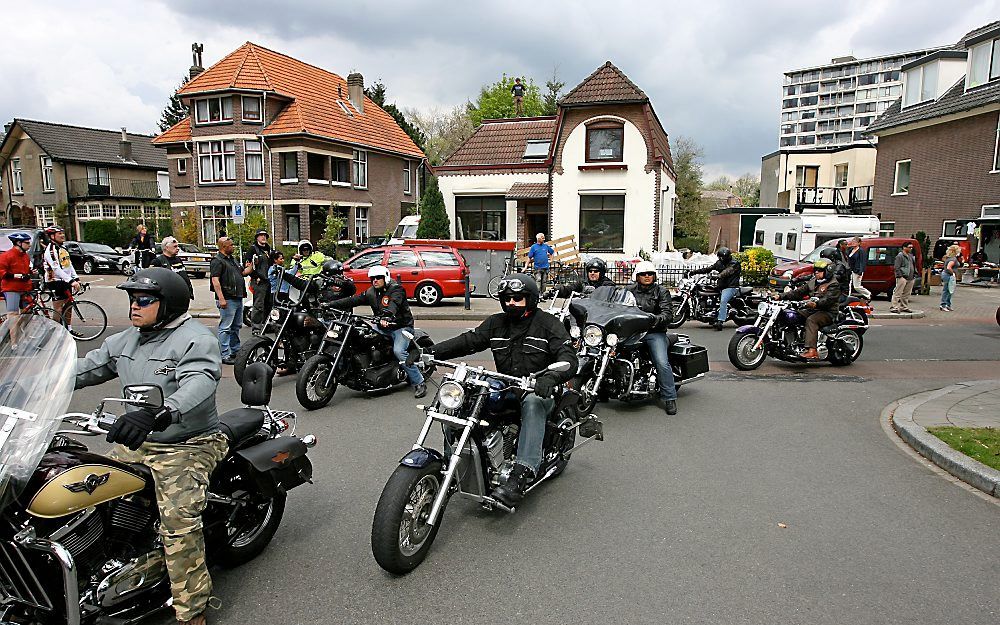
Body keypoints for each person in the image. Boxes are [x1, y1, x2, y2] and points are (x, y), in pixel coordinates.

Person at [75, 268, 227, 625]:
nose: (134, 306)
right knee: (84, 492)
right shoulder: (127, 340)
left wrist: (164, 412)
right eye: (131, 299)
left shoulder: (195, 339)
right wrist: (31, 383)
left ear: (169, 304)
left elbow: (200, 382)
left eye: (144, 300)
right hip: (139, 443)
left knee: (178, 523)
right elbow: (85, 369)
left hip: (188, 444)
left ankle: (192, 611)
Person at [423, 273, 577, 506]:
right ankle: (455, 460)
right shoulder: (496, 323)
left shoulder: (548, 324)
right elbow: (469, 340)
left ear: (531, 299)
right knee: (464, 400)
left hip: (539, 388)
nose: (511, 303)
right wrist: (433, 352)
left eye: (518, 299)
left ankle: (521, 473)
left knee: (533, 402)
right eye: (507, 299)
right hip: (507, 386)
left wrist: (551, 377)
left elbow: (568, 356)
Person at [327, 265, 426, 398]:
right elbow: (353, 300)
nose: (375, 280)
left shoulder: (396, 289)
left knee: (399, 351)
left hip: (401, 327)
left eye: (378, 278)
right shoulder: (371, 292)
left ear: (385, 278)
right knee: (361, 338)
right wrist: (330, 304)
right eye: (373, 278)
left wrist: (387, 316)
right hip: (382, 326)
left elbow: (394, 304)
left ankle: (419, 382)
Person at [625, 261, 678, 415]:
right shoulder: (629, 291)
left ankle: (669, 397)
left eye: (650, 274)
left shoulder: (661, 292)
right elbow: (616, 305)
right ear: (637, 276)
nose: (647, 276)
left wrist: (652, 320)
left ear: (654, 276)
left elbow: (668, 314)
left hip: (654, 332)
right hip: (632, 332)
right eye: (643, 274)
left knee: (661, 362)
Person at [778, 258, 842, 360]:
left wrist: (815, 304)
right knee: (793, 315)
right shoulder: (813, 282)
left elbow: (828, 300)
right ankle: (792, 343)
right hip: (813, 310)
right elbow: (798, 292)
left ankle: (812, 351)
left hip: (827, 312)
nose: (816, 272)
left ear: (828, 271)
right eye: (815, 270)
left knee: (811, 320)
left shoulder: (833, 284)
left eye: (820, 270)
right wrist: (781, 296)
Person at [209, 237, 249, 364]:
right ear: (223, 247)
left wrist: (253, 265)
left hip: (237, 297)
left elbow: (243, 273)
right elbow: (215, 281)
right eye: (231, 245)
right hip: (227, 298)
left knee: (236, 326)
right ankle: (224, 354)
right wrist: (221, 298)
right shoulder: (217, 261)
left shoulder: (232, 260)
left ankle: (235, 351)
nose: (233, 247)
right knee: (226, 327)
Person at [690, 246, 741, 330]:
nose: (721, 259)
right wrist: (693, 272)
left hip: (731, 287)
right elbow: (708, 269)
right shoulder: (719, 263)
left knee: (723, 300)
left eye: (722, 257)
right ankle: (712, 313)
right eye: (720, 257)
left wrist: (718, 276)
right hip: (721, 286)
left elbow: (727, 272)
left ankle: (720, 321)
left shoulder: (734, 263)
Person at [42, 226, 82, 335]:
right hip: (54, 281)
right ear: (52, 236)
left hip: (65, 280)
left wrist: (76, 278)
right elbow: (56, 269)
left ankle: (68, 329)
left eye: (62, 233)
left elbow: (69, 265)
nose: (62, 235)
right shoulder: (50, 251)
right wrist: (71, 281)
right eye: (59, 233)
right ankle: (56, 332)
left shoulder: (63, 248)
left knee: (69, 305)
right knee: (58, 308)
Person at [0, 232, 34, 347]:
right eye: (27, 243)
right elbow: (2, 272)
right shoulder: (6, 256)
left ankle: (24, 338)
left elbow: (26, 269)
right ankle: (14, 343)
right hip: (11, 288)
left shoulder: (25, 256)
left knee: (27, 314)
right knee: (13, 314)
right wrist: (17, 276)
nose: (29, 245)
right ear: (18, 243)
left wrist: (31, 272)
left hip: (25, 288)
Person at [246, 230, 273, 332]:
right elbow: (248, 266)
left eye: (265, 236)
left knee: (268, 304)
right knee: (258, 305)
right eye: (261, 235)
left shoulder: (268, 249)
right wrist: (255, 276)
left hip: (268, 280)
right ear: (257, 237)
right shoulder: (253, 249)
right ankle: (256, 328)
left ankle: (266, 325)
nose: (263, 237)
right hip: (259, 281)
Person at [890, 242, 917, 314]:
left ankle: (904, 306)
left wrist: (915, 273)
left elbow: (913, 265)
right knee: (898, 292)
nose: (911, 249)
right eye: (909, 247)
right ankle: (894, 306)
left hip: (911, 277)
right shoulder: (900, 256)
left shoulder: (911, 256)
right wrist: (900, 276)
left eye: (911, 247)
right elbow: (897, 267)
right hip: (903, 277)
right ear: (904, 247)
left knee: (906, 293)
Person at [846, 237, 871, 301]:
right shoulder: (850, 250)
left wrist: (861, 271)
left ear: (859, 243)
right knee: (849, 284)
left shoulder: (861, 251)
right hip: (850, 269)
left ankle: (868, 294)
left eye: (855, 242)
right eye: (852, 242)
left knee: (856, 286)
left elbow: (862, 261)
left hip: (857, 270)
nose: (853, 243)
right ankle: (848, 296)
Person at [939, 244, 962, 312]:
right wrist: (953, 273)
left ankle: (948, 304)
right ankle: (943, 305)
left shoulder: (949, 258)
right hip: (948, 275)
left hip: (946, 274)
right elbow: (949, 267)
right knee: (947, 290)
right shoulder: (953, 259)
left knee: (950, 290)